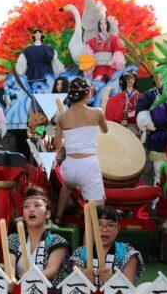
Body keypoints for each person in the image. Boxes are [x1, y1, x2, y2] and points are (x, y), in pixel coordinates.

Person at [54, 78, 108, 224]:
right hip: (88, 165)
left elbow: (57, 143)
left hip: (69, 167)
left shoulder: (62, 117)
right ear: (88, 94)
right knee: (97, 218)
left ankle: (59, 216)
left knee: (68, 185)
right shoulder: (97, 112)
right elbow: (105, 130)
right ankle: (93, 231)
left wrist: (69, 141)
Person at [8, 187, 71, 291]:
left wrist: (30, 278)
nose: (31, 209)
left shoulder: (57, 241)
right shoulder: (14, 239)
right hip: (21, 290)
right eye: (26, 206)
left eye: (37, 205)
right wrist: (11, 278)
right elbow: (10, 265)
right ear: (23, 216)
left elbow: (52, 270)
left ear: (47, 214)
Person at [70, 205, 145, 287]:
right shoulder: (80, 253)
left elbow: (130, 288)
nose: (104, 229)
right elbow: (74, 285)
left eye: (110, 225)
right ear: (91, 228)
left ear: (118, 228)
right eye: (98, 224)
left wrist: (113, 279)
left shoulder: (127, 253)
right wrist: (83, 279)